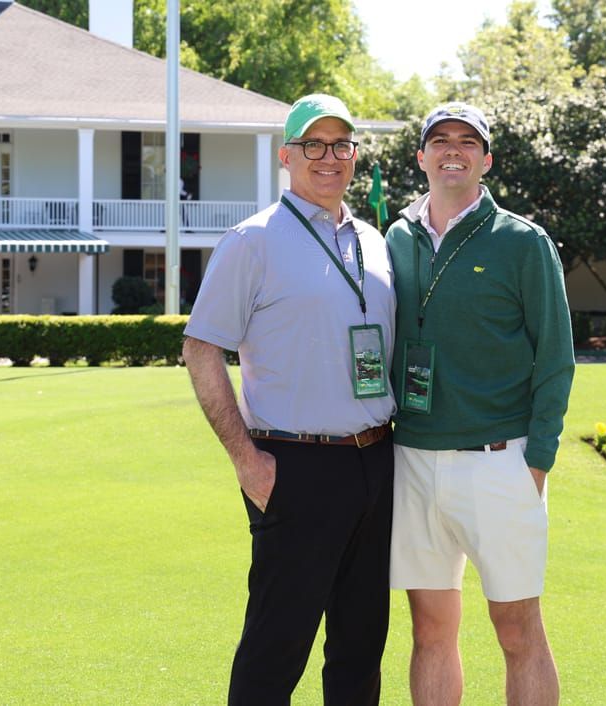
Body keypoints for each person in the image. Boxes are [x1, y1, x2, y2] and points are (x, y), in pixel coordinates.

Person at [182, 94, 396, 706]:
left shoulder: (374, 243)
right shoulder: (253, 240)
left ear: (355, 155)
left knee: (360, 646)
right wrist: (247, 462)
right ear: (287, 156)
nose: (328, 158)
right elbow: (201, 350)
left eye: (340, 145)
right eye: (313, 145)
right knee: (277, 649)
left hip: (377, 461)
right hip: (293, 465)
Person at [385, 102, 575, 706]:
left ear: (486, 159)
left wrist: (537, 460)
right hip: (413, 459)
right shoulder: (396, 237)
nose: (453, 151)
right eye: (439, 140)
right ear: (421, 158)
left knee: (518, 631)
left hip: (500, 460)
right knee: (430, 631)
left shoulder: (524, 242)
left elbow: (556, 359)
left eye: (468, 142)